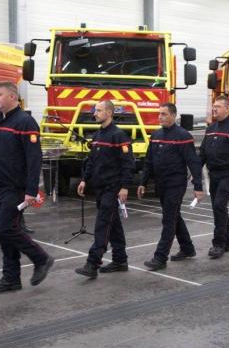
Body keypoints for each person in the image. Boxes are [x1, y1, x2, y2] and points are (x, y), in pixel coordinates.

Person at [0, 82, 54, 293]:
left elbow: (34, 159)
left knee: (6, 228)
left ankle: (41, 258)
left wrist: (31, 190)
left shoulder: (25, 122)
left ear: (13, 97)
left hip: (16, 187)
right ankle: (11, 278)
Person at [138, 103, 203, 270]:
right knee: (174, 216)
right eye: (159, 114)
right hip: (161, 183)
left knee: (168, 219)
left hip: (176, 184)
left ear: (174, 116)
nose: (160, 117)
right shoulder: (156, 135)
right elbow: (149, 161)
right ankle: (188, 248)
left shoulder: (183, 136)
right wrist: (143, 182)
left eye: (164, 114)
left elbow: (193, 162)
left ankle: (160, 258)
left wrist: (198, 186)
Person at [75, 101, 135, 278]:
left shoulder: (119, 136)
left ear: (109, 113)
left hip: (113, 188)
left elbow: (128, 163)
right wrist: (84, 180)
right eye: (95, 111)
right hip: (100, 187)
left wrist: (125, 186)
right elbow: (91, 161)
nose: (95, 113)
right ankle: (120, 260)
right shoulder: (97, 135)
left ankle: (92, 263)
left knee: (102, 224)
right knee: (113, 224)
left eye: (99, 111)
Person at [199, 95, 229, 259]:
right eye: (213, 106)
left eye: (218, 107)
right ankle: (228, 242)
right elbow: (203, 153)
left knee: (220, 205)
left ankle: (218, 244)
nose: (214, 109)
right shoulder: (211, 128)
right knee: (218, 208)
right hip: (214, 174)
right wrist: (195, 171)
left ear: (227, 109)